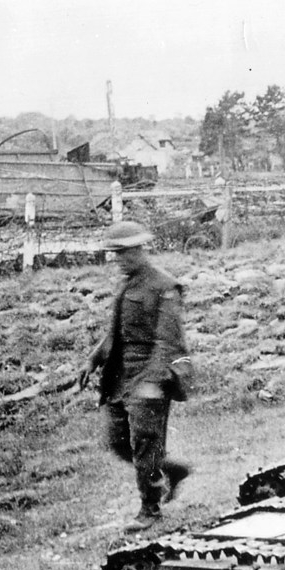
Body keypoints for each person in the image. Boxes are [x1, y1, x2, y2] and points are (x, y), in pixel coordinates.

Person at [79, 221, 192, 531]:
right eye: (115, 254)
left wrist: (152, 382)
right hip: (119, 377)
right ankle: (172, 470)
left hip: (149, 376)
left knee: (145, 445)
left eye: (124, 253)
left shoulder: (164, 286)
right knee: (116, 441)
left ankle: (149, 509)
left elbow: (168, 341)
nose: (118, 259)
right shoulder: (126, 285)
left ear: (140, 250)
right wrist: (93, 359)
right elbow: (115, 333)